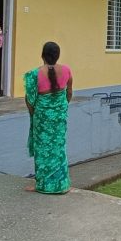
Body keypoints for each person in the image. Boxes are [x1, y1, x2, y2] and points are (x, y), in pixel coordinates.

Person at [24, 41, 73, 194]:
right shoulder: (66, 70)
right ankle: (62, 184)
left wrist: (35, 114)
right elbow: (69, 94)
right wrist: (60, 109)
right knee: (58, 149)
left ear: (42, 55)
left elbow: (29, 100)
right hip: (59, 117)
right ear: (58, 56)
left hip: (42, 118)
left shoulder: (34, 74)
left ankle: (43, 185)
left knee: (43, 150)